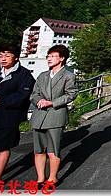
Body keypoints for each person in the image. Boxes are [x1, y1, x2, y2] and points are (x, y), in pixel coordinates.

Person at [0, 43, 35, 187]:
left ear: (16, 58)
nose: (3, 58)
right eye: (0, 55)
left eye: (7, 55)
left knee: (3, 148)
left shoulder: (24, 75)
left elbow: (23, 95)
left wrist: (2, 100)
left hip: (8, 117)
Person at [30, 45, 77, 185]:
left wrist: (51, 103)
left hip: (56, 115)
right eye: (48, 56)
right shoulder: (42, 75)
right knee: (38, 149)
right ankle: (40, 178)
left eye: (52, 56)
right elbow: (34, 94)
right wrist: (39, 101)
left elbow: (71, 94)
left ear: (62, 58)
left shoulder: (69, 76)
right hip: (39, 115)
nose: (49, 59)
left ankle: (52, 178)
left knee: (53, 149)